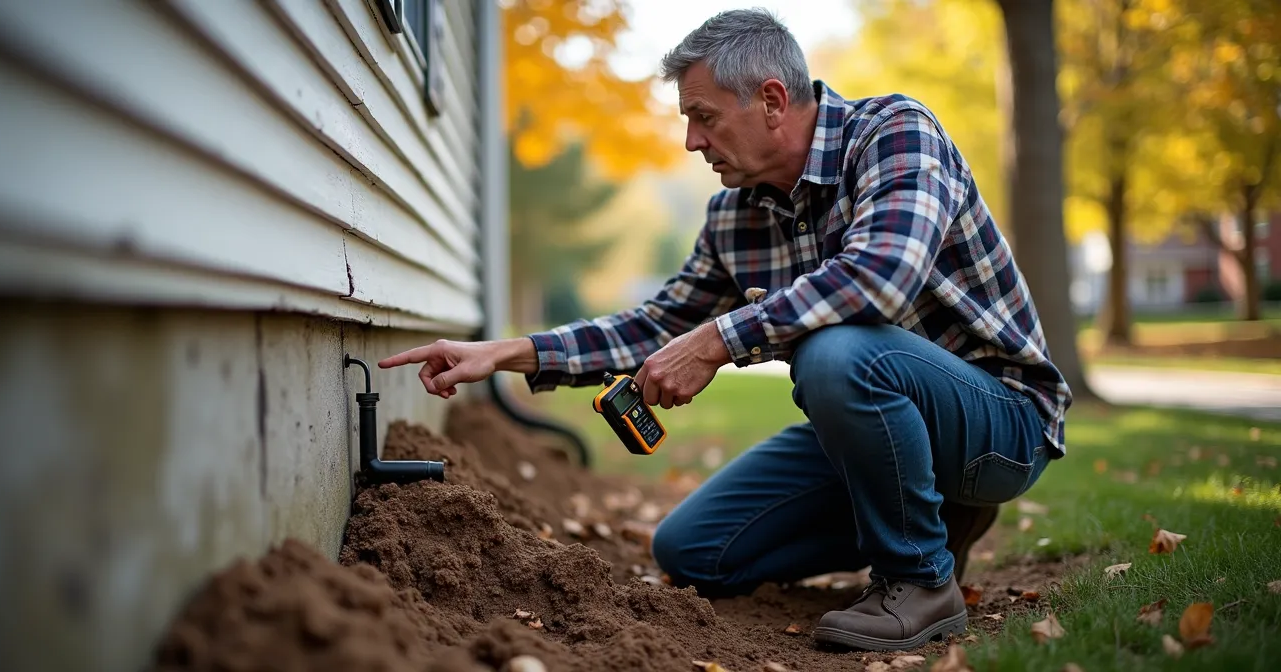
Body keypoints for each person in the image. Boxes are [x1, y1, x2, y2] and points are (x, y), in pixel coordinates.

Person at [379, 8, 1071, 653]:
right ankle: (941, 521)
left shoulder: (894, 133)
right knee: (692, 550)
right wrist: (505, 351)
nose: (691, 141)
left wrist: (718, 341)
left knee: (835, 353)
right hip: (883, 426)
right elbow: (657, 324)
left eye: (703, 117)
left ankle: (920, 579)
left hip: (999, 421)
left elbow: (879, 278)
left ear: (772, 100)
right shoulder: (733, 217)